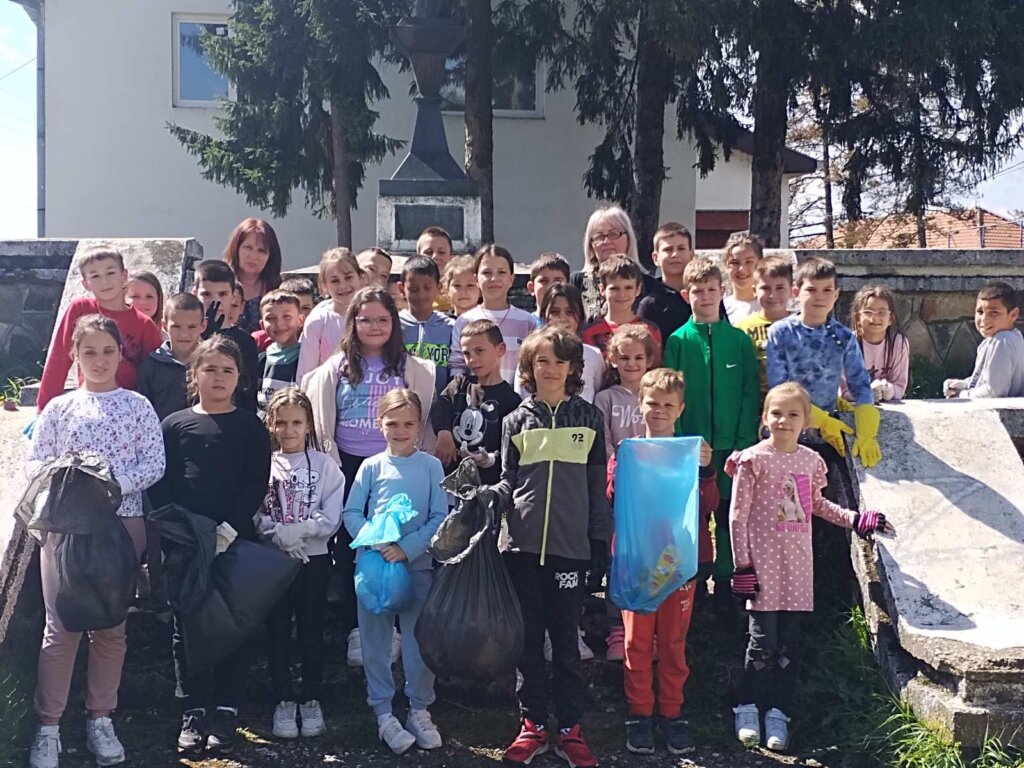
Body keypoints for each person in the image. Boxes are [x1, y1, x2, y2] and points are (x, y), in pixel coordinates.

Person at [25, 315, 165, 768]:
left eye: (108, 351)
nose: (99, 360)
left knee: (111, 625)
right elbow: (35, 462)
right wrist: (70, 482)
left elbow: (154, 463)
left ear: (120, 353)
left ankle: (101, 717)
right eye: (89, 352)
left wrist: (110, 485)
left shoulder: (137, 406)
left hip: (122, 523)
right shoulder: (59, 408)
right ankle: (48, 726)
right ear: (75, 356)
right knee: (61, 625)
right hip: (66, 526)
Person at [729, 382, 894, 752]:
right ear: (764, 417)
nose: (784, 421)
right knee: (762, 642)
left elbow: (816, 505)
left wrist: (854, 519)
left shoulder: (809, 461)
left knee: (790, 644)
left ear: (806, 421)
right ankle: (748, 705)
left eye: (793, 414)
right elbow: (737, 517)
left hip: (797, 571)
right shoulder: (752, 461)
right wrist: (743, 566)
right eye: (776, 413)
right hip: (763, 570)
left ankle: (779, 711)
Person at [491, 325, 611, 768]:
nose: (551, 369)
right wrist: (488, 499)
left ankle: (570, 729)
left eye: (560, 361)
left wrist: (599, 541)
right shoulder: (515, 420)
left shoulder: (589, 418)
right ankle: (533, 723)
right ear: (529, 366)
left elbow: (597, 488)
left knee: (565, 644)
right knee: (527, 643)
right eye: (542, 361)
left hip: (570, 550)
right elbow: (509, 481)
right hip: (521, 548)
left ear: (573, 368)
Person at [149, 336, 272, 756]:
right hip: (186, 543)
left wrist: (228, 529)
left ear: (239, 378)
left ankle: (226, 708)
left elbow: (256, 481)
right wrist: (183, 531)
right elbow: (160, 482)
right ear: (194, 374)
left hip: (234, 540)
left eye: (227, 370)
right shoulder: (174, 424)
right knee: (187, 625)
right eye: (210, 369)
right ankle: (194, 708)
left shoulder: (251, 426)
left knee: (233, 623)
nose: (218, 378)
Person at [302, 287, 435, 668]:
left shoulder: (412, 368)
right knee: (353, 546)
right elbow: (322, 417)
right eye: (365, 320)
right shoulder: (336, 368)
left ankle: (398, 625)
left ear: (394, 323)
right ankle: (357, 627)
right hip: (348, 465)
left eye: (382, 319)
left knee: (399, 540)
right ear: (353, 323)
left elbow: (423, 417)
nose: (374, 326)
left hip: (397, 467)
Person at [611, 369, 718, 756]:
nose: (659, 410)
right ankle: (639, 712)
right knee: (636, 641)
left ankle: (672, 712)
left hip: (679, 562)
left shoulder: (691, 454)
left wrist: (705, 470)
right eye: (652, 403)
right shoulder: (628, 451)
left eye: (668, 405)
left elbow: (708, 505)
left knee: (673, 642)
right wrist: (624, 468)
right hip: (637, 562)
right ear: (639, 404)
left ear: (680, 409)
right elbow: (613, 496)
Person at [342, 389, 448, 755]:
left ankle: (419, 708)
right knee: (376, 643)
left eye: (408, 424)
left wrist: (407, 548)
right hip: (374, 571)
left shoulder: (431, 467)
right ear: (380, 424)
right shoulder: (371, 467)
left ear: (419, 426)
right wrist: (376, 541)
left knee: (419, 642)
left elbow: (440, 516)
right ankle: (383, 713)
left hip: (417, 568)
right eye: (392, 424)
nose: (400, 431)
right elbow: (352, 513)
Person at [663, 258, 760, 604]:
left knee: (730, 515)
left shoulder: (738, 341)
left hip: (732, 445)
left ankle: (727, 581)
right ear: (686, 295)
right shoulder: (678, 341)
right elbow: (670, 393)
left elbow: (749, 391)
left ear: (722, 291)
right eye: (698, 291)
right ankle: (696, 581)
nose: (705, 297)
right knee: (695, 515)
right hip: (693, 447)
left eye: (711, 290)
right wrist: (680, 440)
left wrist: (744, 440)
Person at [257, 388, 345, 741]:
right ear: (271, 424)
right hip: (275, 561)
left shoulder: (325, 466)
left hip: (314, 559)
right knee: (278, 629)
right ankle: (283, 698)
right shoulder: (264, 464)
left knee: (310, 629)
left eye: (296, 422)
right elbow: (256, 511)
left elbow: (332, 513)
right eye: (281, 422)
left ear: (308, 424)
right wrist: (277, 533)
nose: (288, 430)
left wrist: (304, 531)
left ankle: (310, 697)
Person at [766, 258, 881, 470]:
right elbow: (779, 388)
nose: (820, 297)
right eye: (811, 289)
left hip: (828, 436)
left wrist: (867, 430)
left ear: (836, 295)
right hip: (787, 432)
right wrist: (819, 419)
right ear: (796, 292)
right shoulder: (780, 332)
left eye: (827, 290)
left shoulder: (844, 337)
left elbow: (860, 385)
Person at [594, 324, 657, 662]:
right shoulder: (605, 399)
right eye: (624, 357)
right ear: (613, 360)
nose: (631, 364)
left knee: (651, 557)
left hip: (652, 491)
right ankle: (617, 627)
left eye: (638, 357)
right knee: (617, 560)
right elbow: (603, 442)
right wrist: (614, 475)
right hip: (617, 490)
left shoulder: (657, 394)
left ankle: (649, 626)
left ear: (649, 359)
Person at [37, 247, 162, 412]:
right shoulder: (80, 309)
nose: (105, 281)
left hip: (129, 408)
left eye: (110, 273)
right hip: (89, 404)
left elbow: (155, 377)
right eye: (95, 276)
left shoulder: (144, 324)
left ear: (124, 276)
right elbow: (59, 359)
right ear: (85, 284)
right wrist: (44, 409)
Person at [430, 320, 520, 484]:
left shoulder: (511, 400)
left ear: (500, 349)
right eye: (467, 354)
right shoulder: (460, 383)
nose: (472, 359)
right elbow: (440, 407)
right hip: (450, 480)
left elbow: (510, 448)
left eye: (479, 351)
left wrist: (489, 459)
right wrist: (444, 433)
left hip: (486, 485)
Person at [449, 244, 539, 387]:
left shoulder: (527, 322)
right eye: (487, 272)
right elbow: (457, 366)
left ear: (511, 279)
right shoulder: (465, 321)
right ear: (476, 279)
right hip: (475, 397)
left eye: (501, 272)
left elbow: (533, 367)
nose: (494, 278)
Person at [192, 260, 260, 413]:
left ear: (233, 296)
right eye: (207, 294)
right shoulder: (188, 336)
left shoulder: (245, 342)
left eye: (223, 294)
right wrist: (202, 339)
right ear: (195, 294)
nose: (216, 301)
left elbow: (248, 394)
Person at [571, 205, 658, 321]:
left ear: (628, 239)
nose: (606, 241)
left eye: (613, 234)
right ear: (591, 245)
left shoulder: (648, 285)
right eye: (599, 236)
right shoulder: (578, 282)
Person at [944, 281, 1024, 399]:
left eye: (994, 313)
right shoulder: (1009, 338)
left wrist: (962, 396)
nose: (984, 319)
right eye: (980, 312)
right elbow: (984, 379)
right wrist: (962, 384)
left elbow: (993, 391)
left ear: (1013, 315)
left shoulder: (1002, 341)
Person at [296, 248, 364, 384]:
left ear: (361, 277)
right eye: (335, 281)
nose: (343, 285)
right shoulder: (317, 321)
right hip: (328, 391)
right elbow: (306, 374)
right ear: (324, 285)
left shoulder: (375, 314)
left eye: (348, 277)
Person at [137, 293, 207, 421]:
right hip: (162, 432)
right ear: (164, 326)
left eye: (192, 327)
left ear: (203, 326)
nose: (184, 334)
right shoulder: (152, 366)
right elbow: (143, 411)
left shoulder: (210, 364)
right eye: (176, 327)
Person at [735, 256, 795, 399]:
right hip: (757, 402)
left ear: (792, 290)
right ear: (754, 290)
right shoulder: (741, 329)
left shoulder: (802, 326)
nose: (773, 295)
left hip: (796, 401)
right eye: (765, 288)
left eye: (780, 288)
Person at [581, 256, 662, 356]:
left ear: (638, 289)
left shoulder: (650, 330)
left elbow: (655, 364)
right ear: (602, 289)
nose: (622, 294)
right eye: (614, 288)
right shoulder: (588, 333)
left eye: (628, 288)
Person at [539, 283, 605, 402]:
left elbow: (599, 396)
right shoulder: (533, 353)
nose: (562, 318)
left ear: (580, 315)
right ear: (544, 315)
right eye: (554, 312)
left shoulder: (593, 355)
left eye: (570, 312)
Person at [399, 257, 455, 396]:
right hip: (403, 404)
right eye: (413, 289)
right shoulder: (394, 326)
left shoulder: (451, 327)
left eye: (427, 288)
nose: (421, 295)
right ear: (401, 288)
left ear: (439, 288)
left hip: (442, 405)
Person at [636, 222, 697, 348]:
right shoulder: (650, 304)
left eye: (681, 248)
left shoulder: (705, 294)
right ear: (655, 258)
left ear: (691, 255)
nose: (675, 254)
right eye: (668, 249)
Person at [846, 285, 910, 402]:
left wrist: (891, 391)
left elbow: (900, 387)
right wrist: (865, 393)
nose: (874, 318)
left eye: (882, 313)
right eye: (868, 312)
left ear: (891, 318)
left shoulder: (898, 344)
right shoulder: (847, 344)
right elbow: (843, 391)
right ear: (857, 317)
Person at [222, 217, 283, 333]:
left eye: (261, 251)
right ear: (236, 248)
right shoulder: (218, 284)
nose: (253, 256)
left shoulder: (278, 289)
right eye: (248, 247)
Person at [257, 290, 304, 414]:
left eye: (287, 316)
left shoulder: (307, 358)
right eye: (271, 318)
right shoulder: (260, 360)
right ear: (262, 325)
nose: (279, 324)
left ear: (300, 320)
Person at [253, 278, 316, 353]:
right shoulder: (261, 340)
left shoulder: (318, 341)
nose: (299, 313)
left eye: (305, 308)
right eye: (271, 318)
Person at [722, 231, 764, 323]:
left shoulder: (770, 307)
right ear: (725, 266)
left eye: (749, 262)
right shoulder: (719, 309)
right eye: (735, 263)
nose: (742, 269)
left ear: (760, 263)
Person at [417, 226, 455, 313]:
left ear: (451, 257)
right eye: (429, 252)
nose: (435, 256)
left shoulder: (459, 288)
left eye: (441, 252)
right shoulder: (411, 290)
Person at [528, 253, 571, 322]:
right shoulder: (525, 324)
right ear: (532, 288)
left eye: (557, 281)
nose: (550, 286)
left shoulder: (574, 324)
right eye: (543, 281)